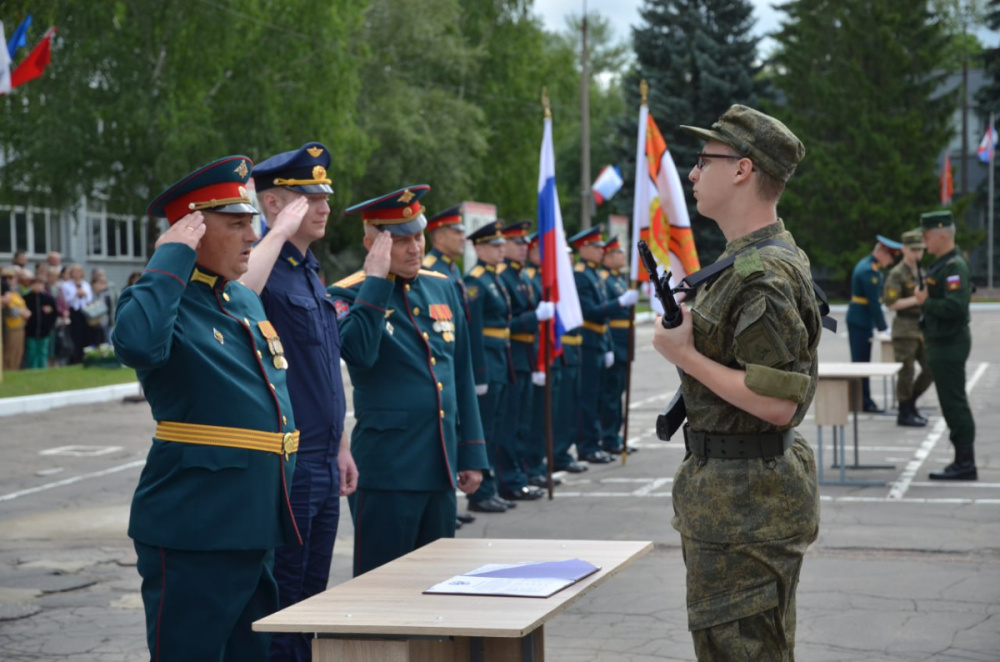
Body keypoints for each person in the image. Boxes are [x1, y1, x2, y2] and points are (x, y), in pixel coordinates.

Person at [112, 155, 300, 661]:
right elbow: (137, 346)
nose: (250, 236)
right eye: (236, 224)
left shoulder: (240, 301)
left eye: (252, 224)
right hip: (196, 527)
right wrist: (167, 261)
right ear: (193, 231)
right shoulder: (157, 299)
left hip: (254, 523)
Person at [652, 105, 821, 660]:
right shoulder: (746, 261)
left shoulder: (761, 274)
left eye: (704, 160)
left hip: (745, 508)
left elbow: (776, 404)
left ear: (743, 169)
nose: (693, 174)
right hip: (735, 503)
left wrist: (683, 354)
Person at [328, 185, 489, 575]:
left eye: (417, 236)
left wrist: (471, 454)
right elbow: (359, 352)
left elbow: (460, 375)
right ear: (372, 243)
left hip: (440, 464)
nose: (414, 248)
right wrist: (377, 280)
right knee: (383, 585)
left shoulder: (442, 286)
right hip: (387, 471)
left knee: (438, 582)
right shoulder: (346, 295)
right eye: (400, 241)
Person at [240, 141, 359, 662]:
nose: (325, 207)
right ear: (274, 204)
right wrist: (279, 233)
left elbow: (323, 368)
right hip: (289, 462)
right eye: (311, 197)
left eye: (325, 196)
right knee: (284, 595)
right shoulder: (265, 266)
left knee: (312, 595)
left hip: (323, 457)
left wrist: (342, 444)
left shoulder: (310, 271)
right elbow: (241, 294)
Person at [463, 220, 540, 509]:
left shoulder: (493, 279)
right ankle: (480, 494)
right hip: (489, 362)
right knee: (486, 431)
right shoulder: (475, 282)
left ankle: (491, 488)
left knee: (499, 428)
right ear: (479, 248)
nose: (500, 250)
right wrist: (480, 373)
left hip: (503, 358)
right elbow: (475, 332)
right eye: (494, 246)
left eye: (500, 245)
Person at [422, 205, 477, 527]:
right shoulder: (431, 269)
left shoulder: (451, 270)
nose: (461, 238)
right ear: (439, 235)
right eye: (456, 232)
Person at [916, 210, 977, 480]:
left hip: (950, 343)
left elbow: (954, 306)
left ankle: (965, 463)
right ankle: (962, 460)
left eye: (927, 236)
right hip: (941, 341)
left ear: (943, 234)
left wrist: (924, 301)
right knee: (950, 401)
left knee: (954, 403)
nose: (924, 241)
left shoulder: (954, 267)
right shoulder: (942, 263)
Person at [570, 226, 638, 464]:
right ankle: (590, 445)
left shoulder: (594, 274)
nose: (601, 250)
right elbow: (590, 312)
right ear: (583, 248)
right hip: (588, 343)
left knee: (603, 395)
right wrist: (620, 302)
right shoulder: (580, 274)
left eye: (602, 247)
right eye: (597, 247)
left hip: (602, 342)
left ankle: (602, 440)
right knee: (591, 399)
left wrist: (607, 344)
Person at [883, 229, 933, 427]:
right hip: (904, 328)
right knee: (906, 372)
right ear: (904, 249)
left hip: (921, 327)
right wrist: (917, 299)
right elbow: (891, 303)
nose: (917, 254)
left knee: (931, 367)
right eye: (913, 250)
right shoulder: (897, 273)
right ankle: (904, 412)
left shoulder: (920, 271)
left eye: (920, 250)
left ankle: (911, 402)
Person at [846, 234, 902, 412]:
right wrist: (884, 328)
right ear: (882, 253)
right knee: (861, 363)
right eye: (890, 257)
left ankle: (862, 400)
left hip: (861, 320)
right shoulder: (869, 271)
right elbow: (874, 304)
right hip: (860, 321)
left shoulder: (869, 266)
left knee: (862, 362)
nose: (891, 262)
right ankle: (864, 401)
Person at [599, 237, 636, 455]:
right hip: (614, 340)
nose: (623, 256)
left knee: (618, 392)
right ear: (608, 256)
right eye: (619, 253)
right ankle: (609, 438)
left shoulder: (619, 279)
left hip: (625, 341)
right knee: (610, 395)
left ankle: (615, 436)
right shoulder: (605, 279)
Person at [59, 263, 94, 364]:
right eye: (74, 272)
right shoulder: (66, 285)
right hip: (73, 312)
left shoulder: (85, 284)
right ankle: (75, 359)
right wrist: (76, 295)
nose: (76, 274)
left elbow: (90, 298)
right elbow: (66, 300)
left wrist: (84, 294)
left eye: (78, 272)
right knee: (74, 336)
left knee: (86, 335)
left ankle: (86, 357)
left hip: (85, 312)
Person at [23, 275, 58, 369]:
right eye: (35, 284)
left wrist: (49, 324)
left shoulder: (48, 299)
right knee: (32, 351)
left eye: (40, 284)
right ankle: (32, 369)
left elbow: (54, 313)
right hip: (31, 330)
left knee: (43, 351)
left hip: (44, 331)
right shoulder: (26, 298)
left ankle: (42, 368)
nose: (37, 286)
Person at [2, 267, 31, 371]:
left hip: (20, 325)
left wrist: (26, 312)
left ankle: (15, 371)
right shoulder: (5, 293)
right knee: (9, 352)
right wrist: (21, 312)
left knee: (18, 352)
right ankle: (7, 371)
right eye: (7, 278)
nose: (11, 280)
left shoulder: (15, 292)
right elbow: (10, 310)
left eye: (12, 277)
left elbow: (24, 306)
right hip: (10, 327)